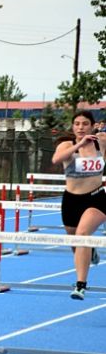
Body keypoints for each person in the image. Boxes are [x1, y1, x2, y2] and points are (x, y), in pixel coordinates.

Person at [51, 111, 106, 300]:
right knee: (76, 243)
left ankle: (80, 285)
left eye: (84, 124)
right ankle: (90, 250)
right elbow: (56, 160)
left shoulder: (101, 142)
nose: (80, 127)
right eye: (77, 124)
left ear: (92, 125)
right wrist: (80, 144)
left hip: (96, 198)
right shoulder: (67, 145)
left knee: (83, 235)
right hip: (71, 200)